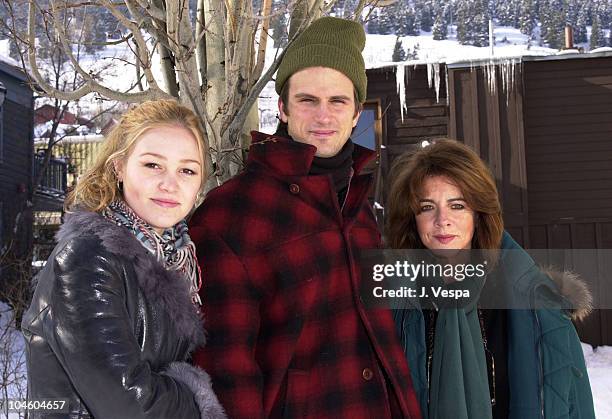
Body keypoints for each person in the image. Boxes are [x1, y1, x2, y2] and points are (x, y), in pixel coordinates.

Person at [189, 17, 422, 419]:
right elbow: (225, 371)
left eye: (338, 101)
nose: (323, 116)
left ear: (355, 114)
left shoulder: (358, 205)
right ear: (282, 108)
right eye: (307, 100)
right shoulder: (231, 214)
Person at [21, 100, 226, 419]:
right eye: (152, 165)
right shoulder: (87, 260)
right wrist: (196, 395)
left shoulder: (175, 259)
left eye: (187, 170)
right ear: (119, 166)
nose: (170, 184)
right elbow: (130, 406)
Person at [386, 139, 595, 419]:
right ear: (412, 219)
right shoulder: (392, 304)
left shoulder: (539, 306)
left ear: (479, 215)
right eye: (427, 207)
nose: (442, 220)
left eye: (457, 205)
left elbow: (575, 405)